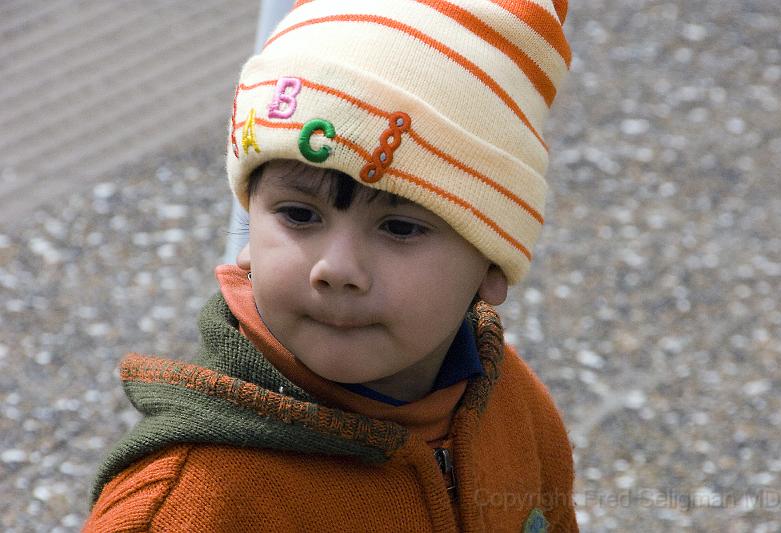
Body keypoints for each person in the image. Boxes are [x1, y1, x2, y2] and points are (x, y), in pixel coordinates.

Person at [84, 0, 577, 531]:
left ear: (493, 261)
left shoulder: (515, 409)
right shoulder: (188, 505)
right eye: (299, 215)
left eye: (400, 227)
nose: (336, 268)